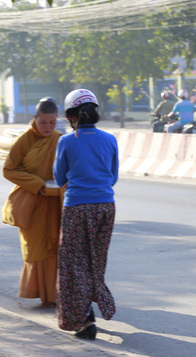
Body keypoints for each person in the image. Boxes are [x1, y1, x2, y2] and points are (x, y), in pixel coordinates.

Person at [53, 89, 119, 340]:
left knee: (73, 265)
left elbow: (59, 178)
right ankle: (95, 306)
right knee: (95, 263)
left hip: (76, 208)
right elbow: (112, 178)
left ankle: (84, 319)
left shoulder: (67, 141)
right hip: (105, 207)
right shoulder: (110, 139)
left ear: (71, 117)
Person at [3, 99, 63, 308]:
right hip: (33, 200)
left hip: (55, 201)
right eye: (43, 123)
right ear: (35, 119)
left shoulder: (60, 139)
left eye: (52, 122)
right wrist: (38, 185)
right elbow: (9, 169)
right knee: (37, 247)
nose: (48, 128)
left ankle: (56, 294)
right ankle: (42, 292)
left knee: (55, 246)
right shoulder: (24, 140)